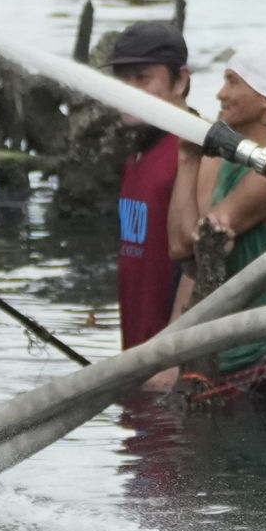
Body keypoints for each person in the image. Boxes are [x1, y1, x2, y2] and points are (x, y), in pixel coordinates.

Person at [163, 49, 266, 396]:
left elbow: (185, 244)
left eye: (232, 82)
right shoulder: (228, 159)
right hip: (218, 353)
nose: (220, 94)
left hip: (256, 357)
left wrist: (188, 163)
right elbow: (185, 252)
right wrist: (189, 156)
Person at [108, 18, 194, 348]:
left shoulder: (191, 152)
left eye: (143, 78)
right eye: (122, 79)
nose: (130, 90)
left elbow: (199, 267)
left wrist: (171, 357)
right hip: (139, 357)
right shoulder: (140, 152)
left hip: (172, 364)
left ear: (180, 81)